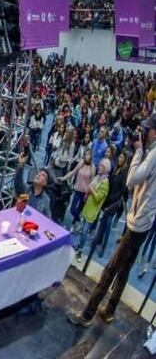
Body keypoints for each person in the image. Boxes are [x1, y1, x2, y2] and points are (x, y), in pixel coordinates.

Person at [70, 116, 156, 327]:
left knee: (110, 269)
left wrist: (138, 152)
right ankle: (109, 310)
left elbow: (131, 180)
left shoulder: (154, 154)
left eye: (146, 129)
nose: (142, 133)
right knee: (124, 269)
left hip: (138, 222)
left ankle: (87, 314)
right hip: (143, 220)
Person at [75, 158, 110, 260]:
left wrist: (91, 190)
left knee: (85, 232)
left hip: (92, 211)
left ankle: (80, 250)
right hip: (87, 207)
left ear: (105, 168)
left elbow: (99, 198)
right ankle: (78, 246)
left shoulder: (105, 182)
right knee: (82, 230)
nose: (99, 167)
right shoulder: (97, 177)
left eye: (101, 166)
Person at [14, 151, 55, 216]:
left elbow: (47, 219)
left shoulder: (46, 200)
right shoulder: (27, 191)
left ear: (45, 183)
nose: (38, 175)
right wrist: (21, 165)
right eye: (38, 173)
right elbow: (18, 185)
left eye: (43, 175)